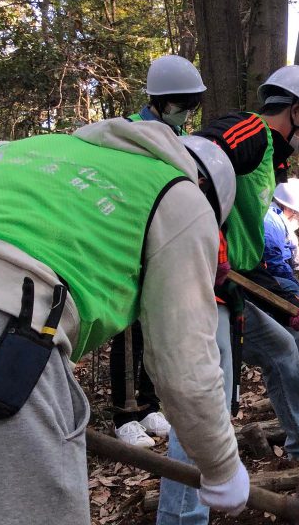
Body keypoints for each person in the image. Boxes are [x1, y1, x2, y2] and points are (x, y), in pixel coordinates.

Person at [0, 118, 249, 523]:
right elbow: (184, 366)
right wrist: (223, 469)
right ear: (206, 192)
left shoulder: (29, 146)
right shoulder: (181, 197)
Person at [157, 66, 299, 525]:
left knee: (283, 348)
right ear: (297, 112)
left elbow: (252, 255)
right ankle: (181, 519)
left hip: (231, 285)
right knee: (205, 403)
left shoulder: (272, 162)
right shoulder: (251, 131)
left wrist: (293, 303)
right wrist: (204, 241)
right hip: (199, 284)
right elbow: (186, 162)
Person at [112, 54, 206, 446]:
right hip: (127, 240)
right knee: (127, 330)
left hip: (162, 243)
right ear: (162, 101)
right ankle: (123, 414)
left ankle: (150, 405)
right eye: (183, 105)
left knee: (155, 326)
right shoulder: (127, 133)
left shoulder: (177, 138)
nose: (188, 113)